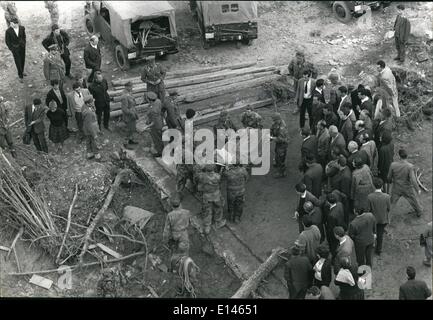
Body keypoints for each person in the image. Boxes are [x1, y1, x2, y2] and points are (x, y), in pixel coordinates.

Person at [387, 148, 422, 217]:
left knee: (392, 203)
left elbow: (389, 177)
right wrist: (417, 189)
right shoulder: (410, 166)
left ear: (399, 156)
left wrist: (390, 181)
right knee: (413, 200)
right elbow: (413, 179)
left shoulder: (393, 165)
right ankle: (419, 212)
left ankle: (387, 217)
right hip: (407, 188)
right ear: (407, 156)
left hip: (396, 187)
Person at [194, 164, 226, 235]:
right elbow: (220, 181)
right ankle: (218, 222)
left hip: (206, 196)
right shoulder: (217, 176)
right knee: (218, 208)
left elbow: (196, 178)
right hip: (216, 195)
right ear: (213, 169)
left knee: (207, 210)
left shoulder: (201, 176)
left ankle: (207, 226)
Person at [367, 178, 391, 256]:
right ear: (382, 187)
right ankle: (379, 250)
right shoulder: (387, 196)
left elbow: (368, 209)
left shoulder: (370, 197)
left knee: (372, 232)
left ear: (374, 186)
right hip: (383, 219)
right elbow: (389, 208)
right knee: (380, 235)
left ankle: (372, 244)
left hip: (373, 219)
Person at [325, 193, 346, 258]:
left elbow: (331, 228)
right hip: (341, 226)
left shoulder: (331, 215)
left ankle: (334, 257)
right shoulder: (340, 204)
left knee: (333, 246)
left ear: (328, 202)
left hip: (334, 233)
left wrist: (329, 236)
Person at [5, 17, 26, 82]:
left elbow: (24, 36)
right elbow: (7, 41)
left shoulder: (22, 28)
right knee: (18, 62)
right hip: (15, 49)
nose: (11, 25)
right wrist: (12, 49)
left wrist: (24, 43)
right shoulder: (8, 31)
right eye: (10, 23)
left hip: (22, 47)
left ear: (16, 23)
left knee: (22, 60)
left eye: (12, 23)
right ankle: (20, 76)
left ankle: (22, 71)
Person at [120, 82, 139, 147]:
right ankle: (125, 143)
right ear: (126, 87)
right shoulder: (124, 96)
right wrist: (131, 113)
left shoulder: (129, 93)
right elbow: (124, 109)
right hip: (129, 116)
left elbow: (132, 100)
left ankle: (131, 140)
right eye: (131, 87)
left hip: (132, 113)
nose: (132, 88)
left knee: (132, 128)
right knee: (128, 130)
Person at [270, 112, 289, 178]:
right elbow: (272, 128)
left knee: (280, 158)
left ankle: (281, 172)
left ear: (277, 119)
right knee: (277, 153)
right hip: (278, 144)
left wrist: (272, 138)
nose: (273, 121)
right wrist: (270, 133)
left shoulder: (282, 128)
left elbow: (281, 139)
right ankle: (278, 164)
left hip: (282, 145)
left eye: (274, 120)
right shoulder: (276, 123)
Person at [146, 91, 164, 157]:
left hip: (156, 126)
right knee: (160, 137)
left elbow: (154, 122)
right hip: (160, 121)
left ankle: (160, 152)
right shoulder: (158, 101)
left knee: (157, 139)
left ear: (149, 100)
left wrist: (147, 126)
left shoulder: (153, 110)